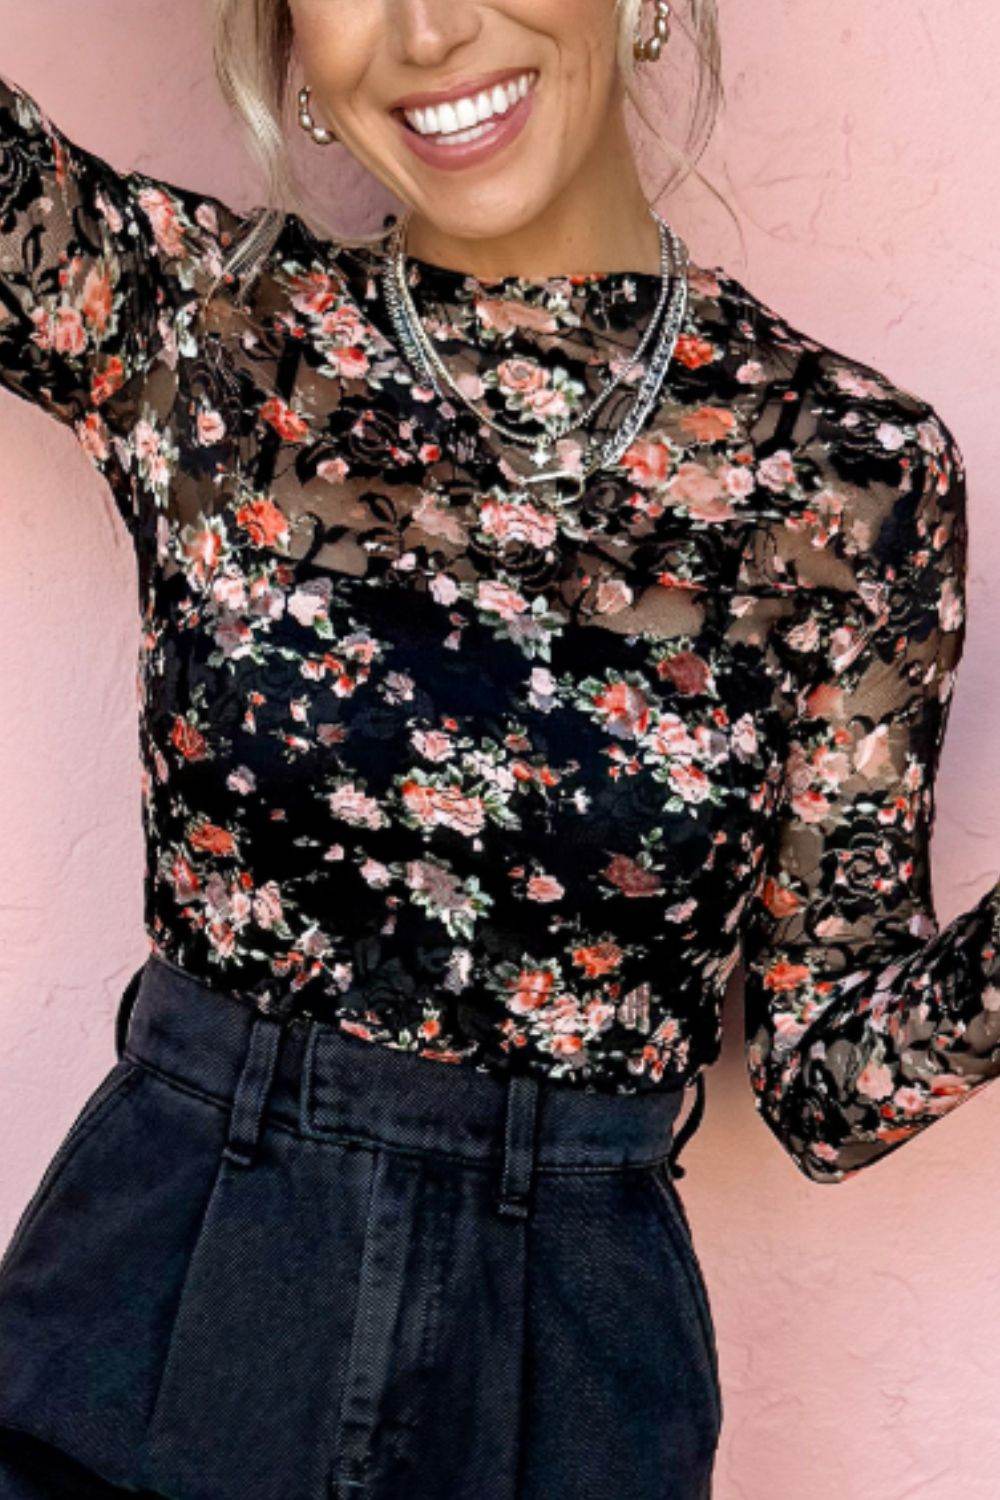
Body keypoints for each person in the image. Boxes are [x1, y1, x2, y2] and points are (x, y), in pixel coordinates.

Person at [0, 1, 996, 1496]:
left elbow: (826, 1086)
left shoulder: (852, 476)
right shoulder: (195, 323)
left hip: (568, 1364)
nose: (432, 27)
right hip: (168, 1286)